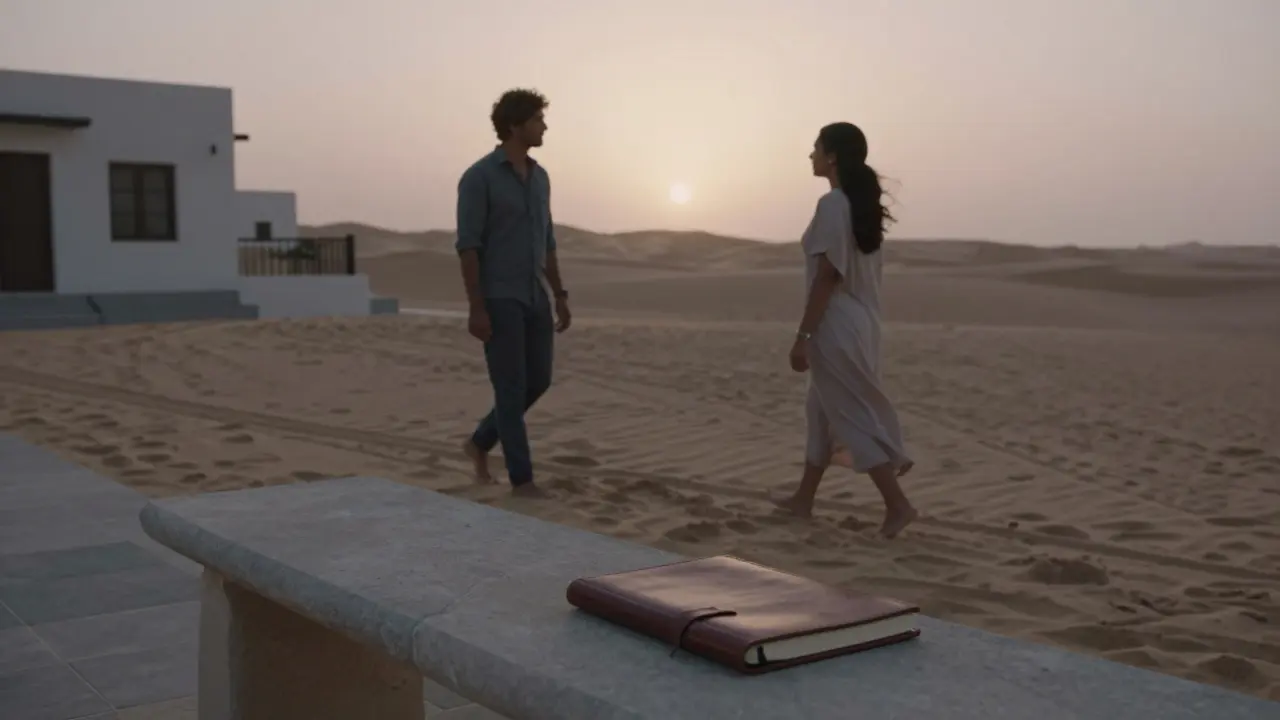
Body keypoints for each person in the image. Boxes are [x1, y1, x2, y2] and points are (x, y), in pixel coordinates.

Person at [774, 122, 918, 538]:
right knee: (821, 409)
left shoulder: (834, 204)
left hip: (835, 323)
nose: (811, 154)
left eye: (816, 147)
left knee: (849, 412)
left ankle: (898, 505)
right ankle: (803, 499)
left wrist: (803, 337)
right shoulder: (857, 205)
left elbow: (827, 276)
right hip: (859, 323)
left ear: (832, 155)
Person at [455, 88, 571, 497]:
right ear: (515, 125)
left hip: (535, 294)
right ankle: (523, 481)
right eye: (538, 119)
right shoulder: (479, 177)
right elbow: (468, 245)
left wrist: (559, 294)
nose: (544, 126)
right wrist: (476, 307)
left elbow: (548, 240)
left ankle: (480, 441)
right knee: (509, 385)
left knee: (537, 380)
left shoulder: (540, 178)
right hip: (499, 296)